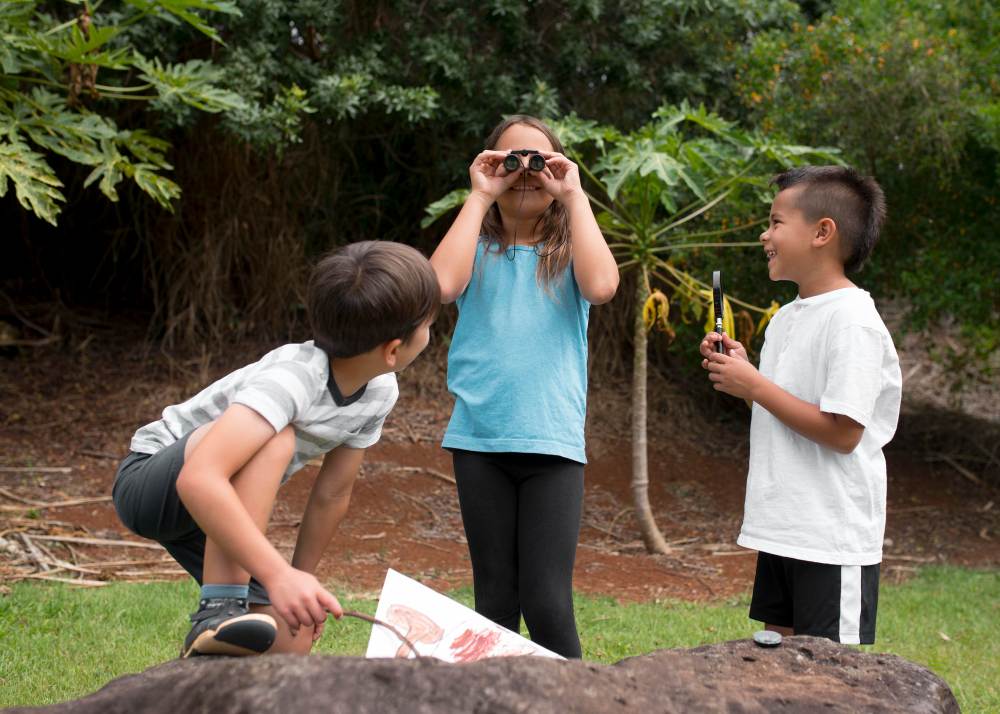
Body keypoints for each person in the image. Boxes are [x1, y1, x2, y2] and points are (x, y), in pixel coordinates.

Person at [113, 241, 439, 657]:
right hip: (153, 482)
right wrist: (277, 575)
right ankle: (218, 607)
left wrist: (298, 585)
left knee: (291, 636)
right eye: (429, 324)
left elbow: (332, 494)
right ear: (395, 349)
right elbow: (198, 478)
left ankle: (212, 665)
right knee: (277, 437)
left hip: (213, 511)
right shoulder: (293, 378)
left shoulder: (379, 391)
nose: (430, 332)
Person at [430, 115, 619, 658]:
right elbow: (441, 285)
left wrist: (574, 194)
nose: (526, 171)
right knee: (493, 602)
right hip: (479, 443)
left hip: (551, 447)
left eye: (540, 161)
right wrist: (481, 195)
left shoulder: (567, 255)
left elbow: (603, 286)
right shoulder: (477, 250)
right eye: (511, 161)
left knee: (547, 602)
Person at [699, 165, 901, 644]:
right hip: (784, 526)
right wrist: (747, 376)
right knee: (780, 671)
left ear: (822, 233)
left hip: (831, 535)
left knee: (830, 683)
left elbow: (843, 433)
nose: (764, 234)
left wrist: (756, 387)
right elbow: (788, 412)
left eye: (775, 222)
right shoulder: (786, 319)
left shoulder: (854, 322)